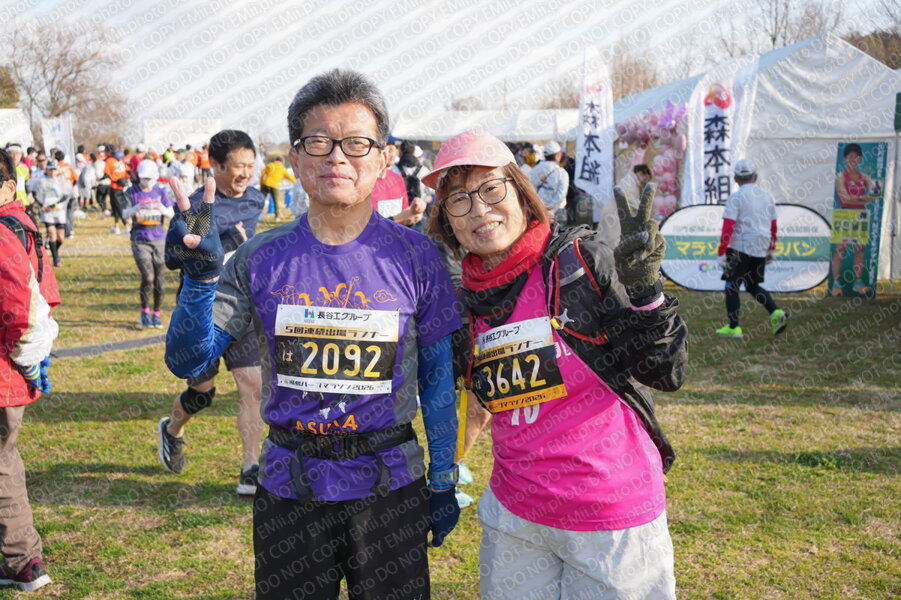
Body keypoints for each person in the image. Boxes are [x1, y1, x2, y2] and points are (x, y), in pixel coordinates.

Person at [164, 69, 461, 599]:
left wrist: (442, 479)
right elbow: (189, 361)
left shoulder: (419, 257)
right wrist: (199, 280)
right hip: (289, 490)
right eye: (319, 142)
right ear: (296, 159)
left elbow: (438, 381)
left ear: (383, 159)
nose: (337, 158)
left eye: (356, 143)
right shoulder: (258, 258)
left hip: (389, 487)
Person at [424, 129, 687, 599]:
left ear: (522, 193)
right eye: (459, 200)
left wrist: (647, 295)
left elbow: (665, 371)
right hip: (516, 518)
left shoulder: (580, 266)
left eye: (491, 189)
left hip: (610, 517)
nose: (479, 210)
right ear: (447, 221)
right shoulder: (465, 301)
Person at [157, 130, 266, 498]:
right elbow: (173, 259)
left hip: (242, 307)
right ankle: (172, 429)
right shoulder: (196, 206)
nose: (246, 173)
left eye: (250, 165)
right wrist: (217, 243)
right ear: (216, 165)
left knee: (253, 385)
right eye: (238, 166)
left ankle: (251, 468)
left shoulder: (256, 199)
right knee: (202, 394)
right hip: (202, 312)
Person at [0, 147, 60, 592]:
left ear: (8, 186)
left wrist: (25, 354)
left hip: (5, 370)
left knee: (3, 464)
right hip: (13, 367)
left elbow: (22, 309)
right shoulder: (22, 226)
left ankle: (23, 560)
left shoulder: (5, 232)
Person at [715, 158, 788, 338]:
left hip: (741, 246)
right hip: (761, 245)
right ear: (756, 177)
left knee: (731, 286)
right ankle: (776, 312)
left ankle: (734, 327)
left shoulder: (736, 197)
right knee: (753, 285)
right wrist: (771, 247)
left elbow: (728, 226)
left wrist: (722, 251)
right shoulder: (767, 196)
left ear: (735, 178)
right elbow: (773, 225)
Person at [123, 160, 175, 329]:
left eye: (150, 179)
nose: (147, 182)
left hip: (159, 238)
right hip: (140, 239)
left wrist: (161, 208)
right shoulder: (131, 192)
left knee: (159, 279)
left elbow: (172, 214)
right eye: (144, 179)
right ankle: (144, 311)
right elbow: (124, 213)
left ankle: (156, 313)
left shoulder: (160, 191)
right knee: (148, 277)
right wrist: (137, 207)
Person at [830, 143, 875, 297]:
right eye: (850, 156)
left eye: (856, 156)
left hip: (860, 216)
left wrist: (857, 199)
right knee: (840, 249)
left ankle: (858, 282)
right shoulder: (841, 177)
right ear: (845, 159)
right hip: (844, 215)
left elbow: (875, 196)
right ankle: (836, 284)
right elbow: (845, 199)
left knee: (859, 249)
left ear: (860, 159)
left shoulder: (865, 177)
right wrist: (863, 198)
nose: (853, 159)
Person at [33, 159, 72, 267]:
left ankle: (52, 248)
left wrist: (55, 204)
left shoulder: (61, 180)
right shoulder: (42, 180)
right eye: (50, 170)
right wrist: (42, 205)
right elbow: (35, 193)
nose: (52, 172)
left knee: (61, 238)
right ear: (47, 170)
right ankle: (56, 259)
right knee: (52, 234)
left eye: (54, 170)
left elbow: (66, 195)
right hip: (47, 212)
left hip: (59, 211)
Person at [529, 140, 569, 223]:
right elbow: (561, 194)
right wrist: (551, 210)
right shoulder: (562, 172)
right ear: (558, 156)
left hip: (538, 210)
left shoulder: (533, 170)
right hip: (557, 211)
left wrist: (541, 208)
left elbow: (530, 190)